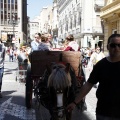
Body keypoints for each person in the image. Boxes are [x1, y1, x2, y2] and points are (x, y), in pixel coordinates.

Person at [67, 34, 120, 120]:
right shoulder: (101, 65)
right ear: (107, 47)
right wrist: (75, 102)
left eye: (119, 45)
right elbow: (88, 84)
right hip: (104, 113)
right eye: (113, 45)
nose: (117, 48)